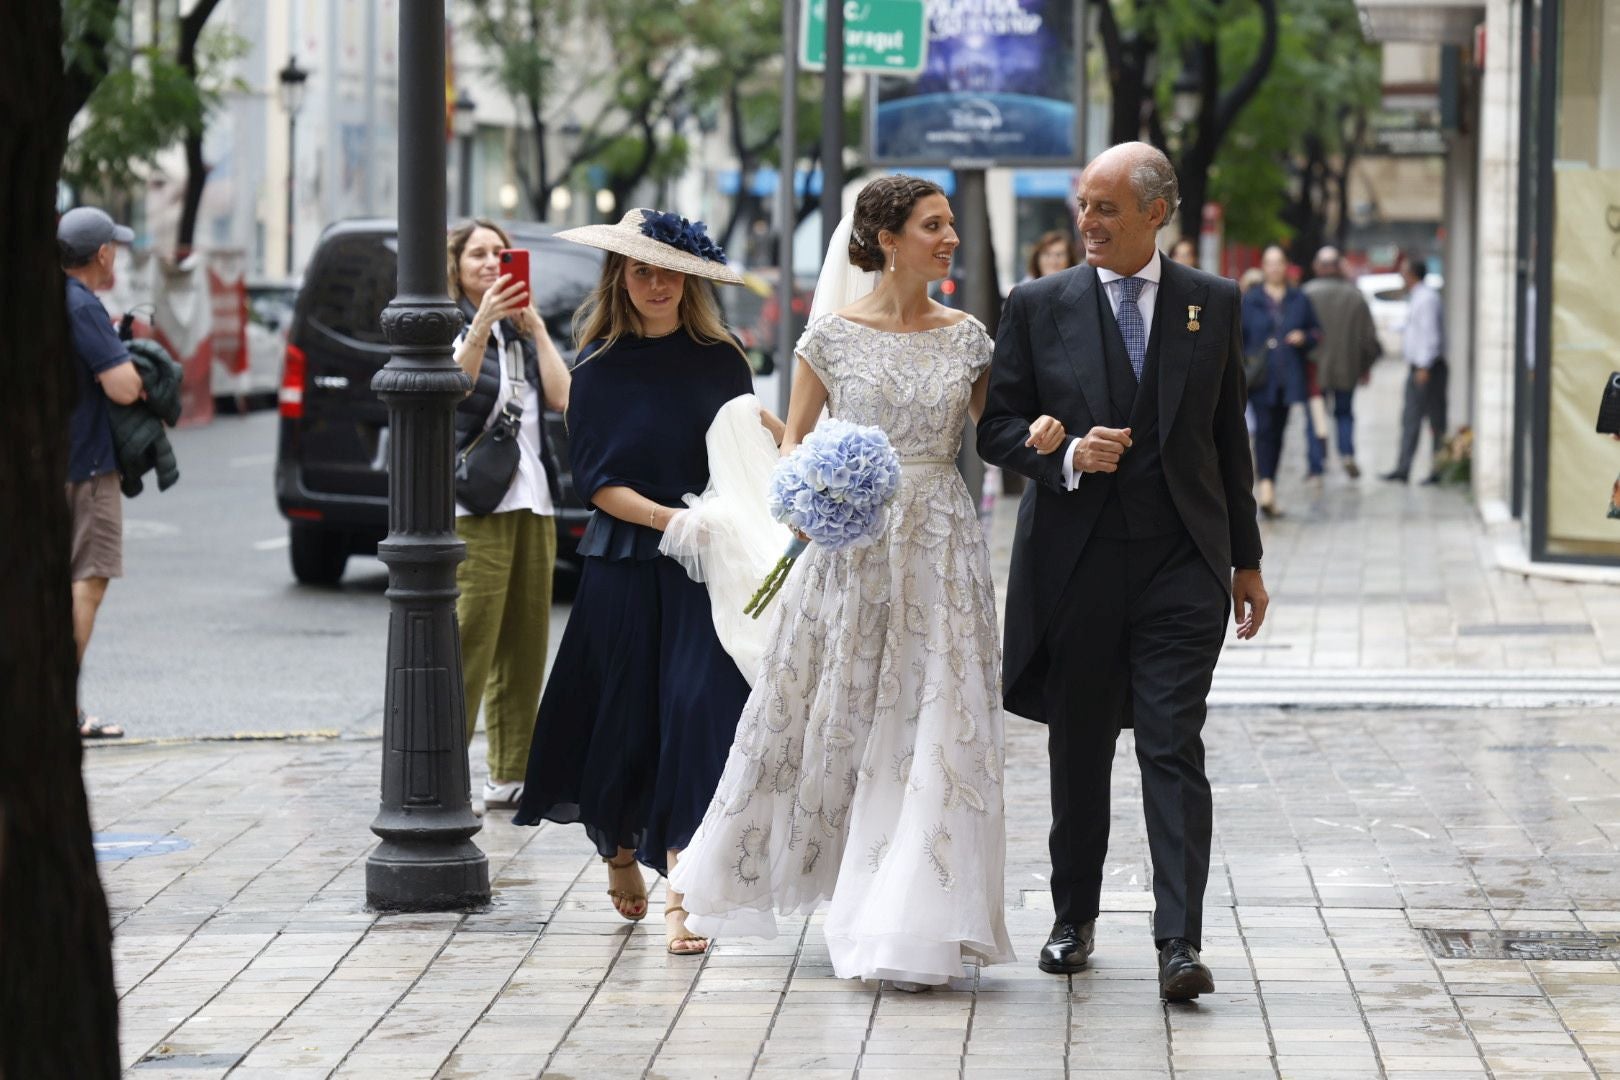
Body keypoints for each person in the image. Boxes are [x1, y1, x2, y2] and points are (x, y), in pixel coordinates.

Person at [670, 175, 1066, 989]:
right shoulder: (832, 340)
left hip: (941, 547)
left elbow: (994, 435)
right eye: (934, 225)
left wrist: (1041, 434)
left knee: (935, 717)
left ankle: (914, 911)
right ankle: (832, 881)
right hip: (850, 551)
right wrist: (814, 494)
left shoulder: (969, 339)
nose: (950, 238)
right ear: (887, 240)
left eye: (952, 224)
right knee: (837, 712)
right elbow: (792, 445)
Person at [978, 142, 1268, 1002]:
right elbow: (996, 428)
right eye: (1083, 205)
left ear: (1156, 212)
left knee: (1173, 746)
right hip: (1076, 564)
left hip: (1183, 561)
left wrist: (1244, 558)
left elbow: (1229, 438)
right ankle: (1075, 916)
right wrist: (1064, 452)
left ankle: (1179, 941)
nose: (1088, 222)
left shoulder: (1211, 304)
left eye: (1106, 207)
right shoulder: (1036, 304)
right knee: (1080, 749)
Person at [513, 208, 763, 957]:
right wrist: (666, 521)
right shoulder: (597, 367)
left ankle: (684, 891)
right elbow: (597, 483)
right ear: (621, 275)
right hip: (626, 558)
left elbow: (742, 445)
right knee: (621, 718)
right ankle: (620, 848)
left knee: (700, 712)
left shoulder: (725, 358)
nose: (656, 283)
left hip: (706, 563)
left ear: (691, 279)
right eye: (641, 269)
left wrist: (786, 440)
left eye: (669, 270)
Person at [445, 219, 572, 811]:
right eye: (478, 254)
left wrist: (538, 329)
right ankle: (445, 777)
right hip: (477, 503)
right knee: (472, 639)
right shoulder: (447, 324)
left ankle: (510, 774)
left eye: (500, 253)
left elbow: (562, 396)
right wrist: (482, 322)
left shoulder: (520, 335)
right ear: (456, 266)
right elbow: (454, 387)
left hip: (534, 499)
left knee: (525, 644)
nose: (491, 262)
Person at [60, 207, 144, 740]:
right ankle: (60, 706)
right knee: (86, 583)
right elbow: (124, 386)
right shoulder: (82, 306)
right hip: (86, 464)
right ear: (103, 253)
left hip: (50, 459)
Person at [1242, 244, 1322, 516]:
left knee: (1277, 432)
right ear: (1263, 267)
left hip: (1287, 378)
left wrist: (1304, 337)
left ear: (1286, 266)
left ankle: (1269, 484)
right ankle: (1266, 488)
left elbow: (1317, 333)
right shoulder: (1251, 300)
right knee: (1264, 431)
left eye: (1279, 262)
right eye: (1269, 262)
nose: (1274, 268)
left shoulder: (1299, 299)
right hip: (1260, 379)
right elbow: (1237, 337)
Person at [1302, 246, 1381, 479]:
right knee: (1344, 413)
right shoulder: (1355, 297)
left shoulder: (1306, 293)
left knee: (1316, 415)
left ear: (1317, 266)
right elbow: (1369, 339)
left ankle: (1317, 464)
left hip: (1314, 369)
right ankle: (1346, 453)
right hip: (1347, 368)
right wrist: (1365, 368)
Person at [1381, 252, 1447, 484]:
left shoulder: (1427, 299)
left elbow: (1430, 335)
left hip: (1426, 368)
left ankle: (1438, 468)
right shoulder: (1418, 297)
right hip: (1418, 366)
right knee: (1411, 417)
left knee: (1433, 420)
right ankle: (1403, 467)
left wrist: (1424, 366)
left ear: (1411, 275)